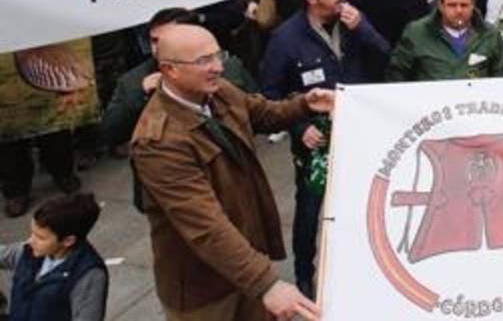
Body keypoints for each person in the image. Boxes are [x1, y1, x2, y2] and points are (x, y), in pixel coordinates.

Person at [132, 24, 333, 321]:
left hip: (246, 264)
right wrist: (266, 284)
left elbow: (262, 113)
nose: (216, 67)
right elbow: (205, 226)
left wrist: (305, 104)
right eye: (203, 61)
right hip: (206, 290)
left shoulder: (216, 91)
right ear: (169, 70)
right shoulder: (159, 142)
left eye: (218, 55)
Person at [259, 0, 390, 297]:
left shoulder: (354, 22)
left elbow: (387, 57)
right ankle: (305, 275)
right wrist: (298, 127)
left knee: (365, 203)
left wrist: (363, 29)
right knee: (309, 211)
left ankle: (363, 266)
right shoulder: (286, 39)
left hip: (358, 133)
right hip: (316, 141)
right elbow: (270, 97)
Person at [101, 8, 260, 151]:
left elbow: (256, 111)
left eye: (166, 39)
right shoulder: (133, 81)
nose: (157, 47)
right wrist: (139, 95)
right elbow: (110, 133)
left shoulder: (224, 66)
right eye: (154, 40)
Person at [0, 192, 106, 321]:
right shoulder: (30, 251)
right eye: (32, 233)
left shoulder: (89, 276)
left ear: (68, 241)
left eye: (41, 237)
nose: (31, 241)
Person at [386, 0, 503, 81]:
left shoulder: (490, 35)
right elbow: (396, 76)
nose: (459, 10)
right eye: (452, 5)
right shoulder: (416, 32)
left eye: (464, 5)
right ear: (441, 5)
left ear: (473, 4)